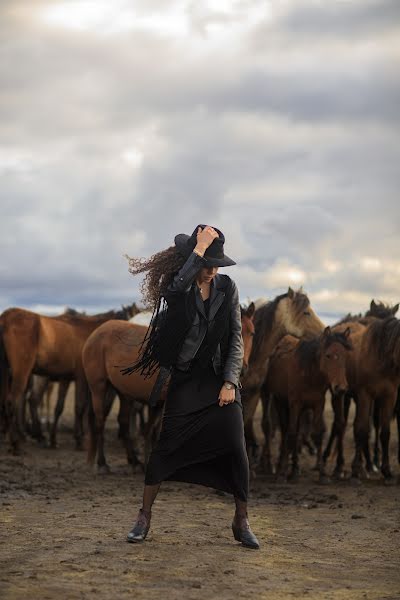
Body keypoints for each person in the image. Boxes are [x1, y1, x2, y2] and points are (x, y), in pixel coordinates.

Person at [123, 224, 259, 549]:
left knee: (237, 449)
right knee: (165, 448)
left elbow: (236, 338)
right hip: (186, 380)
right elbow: (173, 290)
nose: (212, 270)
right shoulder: (181, 288)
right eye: (207, 263)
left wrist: (230, 381)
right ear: (195, 260)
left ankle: (241, 521)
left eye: (217, 264)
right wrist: (197, 252)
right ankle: (144, 516)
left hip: (220, 384)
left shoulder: (228, 288)